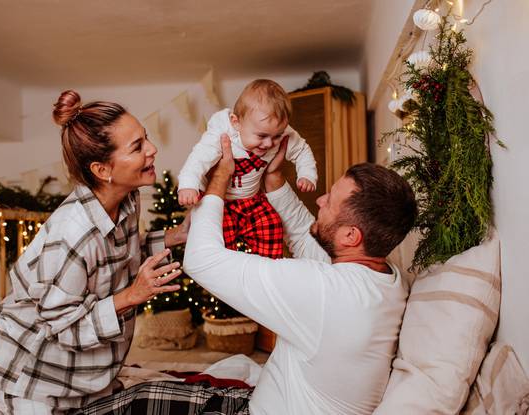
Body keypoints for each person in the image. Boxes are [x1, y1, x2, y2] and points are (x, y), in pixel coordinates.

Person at [81, 136, 418, 415]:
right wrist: (274, 179)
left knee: (130, 405)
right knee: (150, 393)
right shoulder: (385, 276)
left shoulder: (325, 292)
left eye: (332, 201)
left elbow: (203, 261)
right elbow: (305, 234)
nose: (320, 199)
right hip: (267, 400)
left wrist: (218, 180)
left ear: (351, 237)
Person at [0, 90, 188, 414]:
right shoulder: (72, 235)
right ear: (103, 170)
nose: (152, 149)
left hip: (84, 375)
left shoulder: (126, 200)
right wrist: (133, 294)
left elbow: (120, 256)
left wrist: (175, 236)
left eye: (145, 138)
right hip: (29, 375)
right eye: (137, 146)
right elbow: (65, 329)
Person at [177, 79, 317, 259]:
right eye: (261, 136)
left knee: (271, 225)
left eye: (276, 136)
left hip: (252, 200)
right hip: (222, 203)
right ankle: (229, 277)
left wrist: (307, 174)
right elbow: (199, 157)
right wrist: (188, 185)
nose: (268, 144)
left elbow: (301, 150)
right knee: (220, 242)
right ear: (236, 122)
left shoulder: (278, 132)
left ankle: (267, 269)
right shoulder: (222, 134)